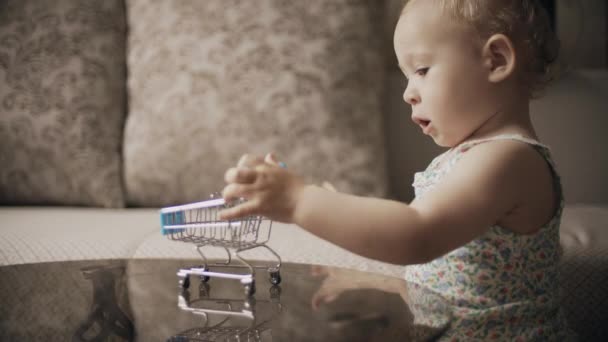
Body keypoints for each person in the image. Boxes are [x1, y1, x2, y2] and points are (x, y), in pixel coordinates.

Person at [220, 0, 575, 339]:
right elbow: (457, 280)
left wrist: (298, 201)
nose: (408, 93)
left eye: (421, 70)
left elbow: (418, 235)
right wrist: (379, 281)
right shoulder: (472, 158)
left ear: (496, 59)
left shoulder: (508, 159)